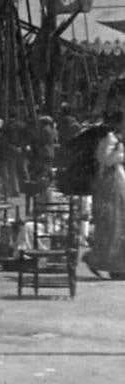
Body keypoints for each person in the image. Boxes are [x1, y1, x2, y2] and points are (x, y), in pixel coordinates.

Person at [86, 109, 125, 279]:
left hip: (115, 181)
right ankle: (105, 262)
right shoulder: (110, 138)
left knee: (116, 226)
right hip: (110, 185)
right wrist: (120, 152)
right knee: (112, 225)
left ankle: (115, 264)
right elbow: (106, 160)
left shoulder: (112, 138)